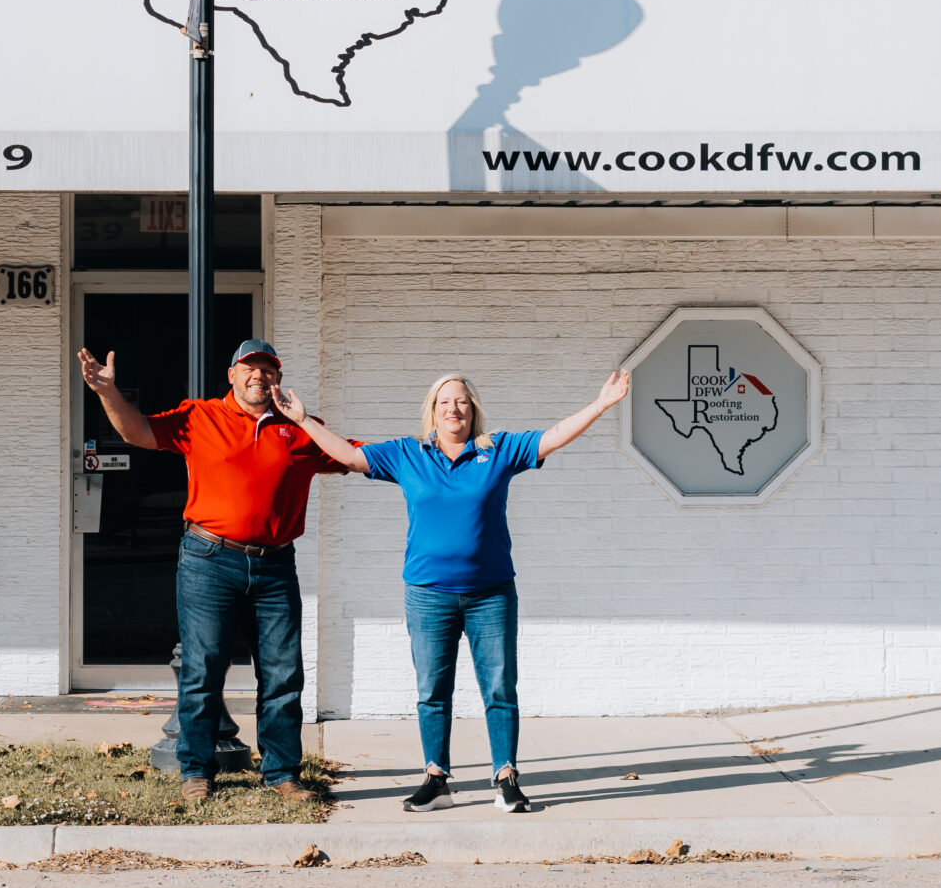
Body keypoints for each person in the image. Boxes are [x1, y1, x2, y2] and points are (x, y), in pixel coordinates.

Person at [272, 369, 630, 813]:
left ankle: (506, 776)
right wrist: (305, 421)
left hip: (491, 594)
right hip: (428, 595)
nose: (453, 409)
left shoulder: (497, 450)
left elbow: (553, 436)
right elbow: (347, 455)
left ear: (473, 409)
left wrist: (601, 405)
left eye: (461, 401)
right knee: (432, 690)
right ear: (432, 412)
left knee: (499, 687)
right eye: (444, 402)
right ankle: (436, 777)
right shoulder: (408, 454)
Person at [77, 337, 344, 805]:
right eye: (249, 368)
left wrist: (427, 451)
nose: (259, 376)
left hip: (275, 565)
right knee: (202, 670)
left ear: (278, 377)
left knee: (283, 674)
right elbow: (137, 432)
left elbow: (350, 456)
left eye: (268, 369)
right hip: (209, 560)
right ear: (233, 375)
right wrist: (106, 393)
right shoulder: (200, 417)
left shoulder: (300, 430)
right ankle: (196, 771)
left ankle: (282, 775)